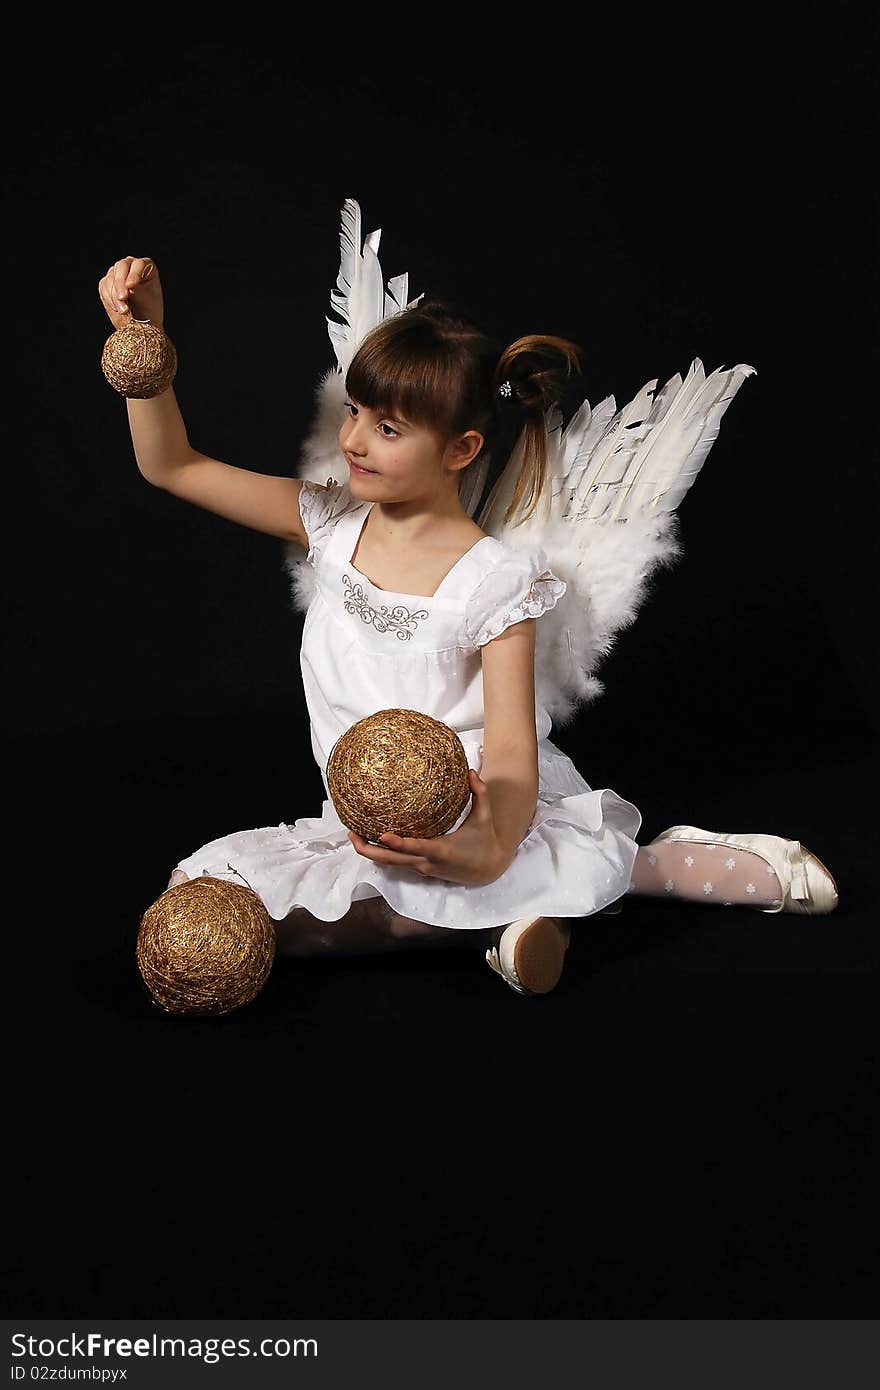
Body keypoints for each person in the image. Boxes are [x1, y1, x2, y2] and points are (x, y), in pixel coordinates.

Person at [98, 255, 840, 998]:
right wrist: (146, 346)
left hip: (484, 803)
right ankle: (519, 911)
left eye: (387, 427)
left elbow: (514, 749)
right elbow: (174, 467)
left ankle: (599, 876)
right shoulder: (326, 523)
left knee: (423, 901)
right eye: (355, 412)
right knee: (198, 887)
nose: (353, 440)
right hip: (375, 811)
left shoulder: (495, 581)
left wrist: (488, 849)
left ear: (461, 450)